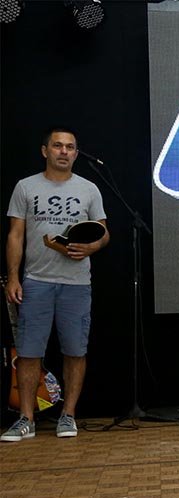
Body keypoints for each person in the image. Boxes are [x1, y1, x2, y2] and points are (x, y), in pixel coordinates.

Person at [2, 126, 109, 442]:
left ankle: (68, 415)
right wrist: (13, 277)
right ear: (45, 150)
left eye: (70, 147)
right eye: (58, 146)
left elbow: (103, 231)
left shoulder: (89, 188)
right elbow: (15, 235)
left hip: (77, 284)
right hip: (36, 281)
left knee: (75, 350)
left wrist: (92, 247)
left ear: (76, 153)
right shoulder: (26, 187)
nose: (64, 151)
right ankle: (26, 419)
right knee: (29, 351)